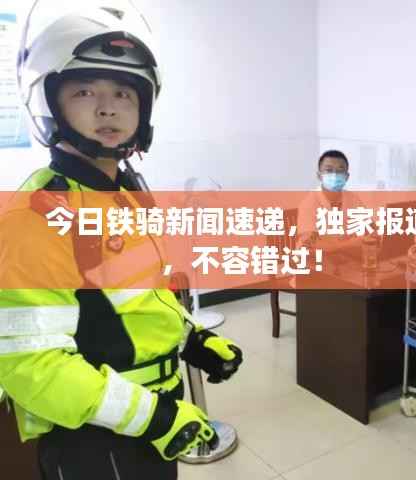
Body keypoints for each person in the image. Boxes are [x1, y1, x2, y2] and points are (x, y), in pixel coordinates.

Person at [0, 5, 242, 480]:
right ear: (49, 101)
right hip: (93, 440)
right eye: (84, 91)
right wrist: (156, 418)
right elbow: (34, 366)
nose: (108, 108)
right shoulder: (35, 216)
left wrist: (193, 339)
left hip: (154, 420)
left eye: (124, 93)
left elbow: (138, 301)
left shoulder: (126, 194)